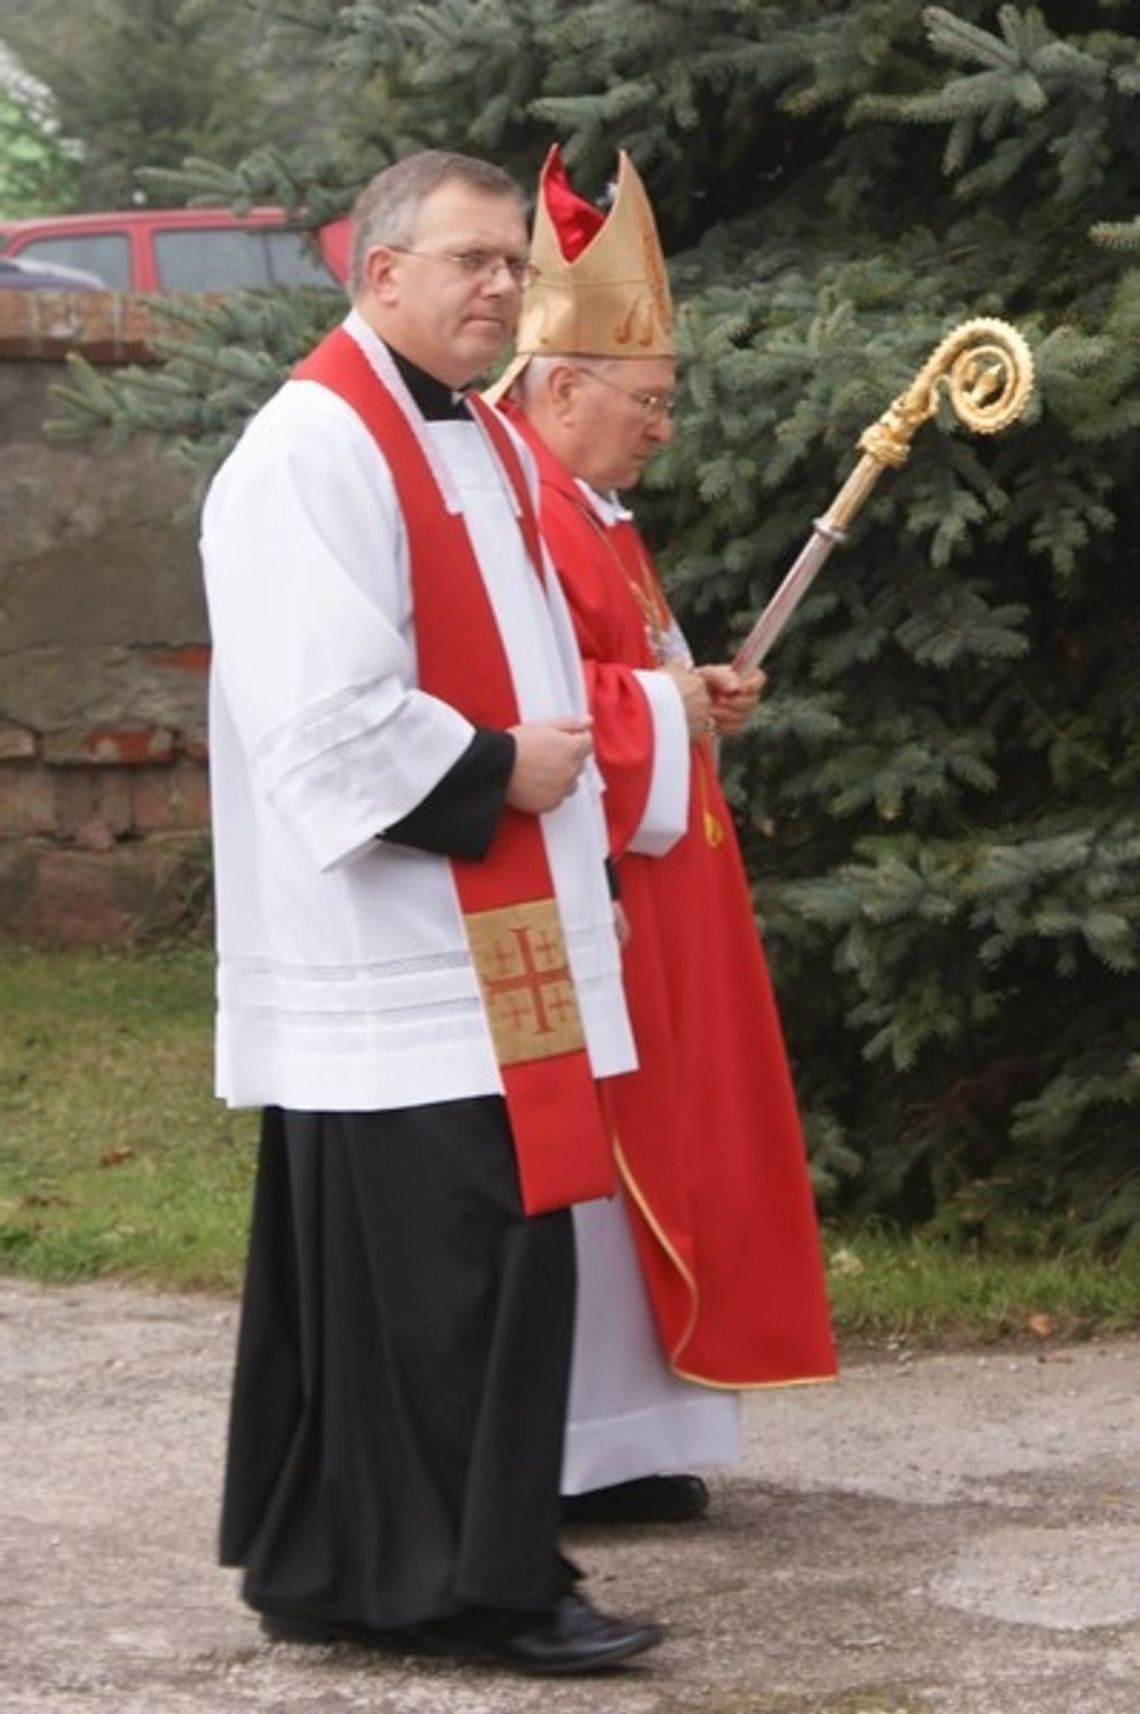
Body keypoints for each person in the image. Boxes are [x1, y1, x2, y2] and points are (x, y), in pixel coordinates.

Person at [200, 148, 663, 1674]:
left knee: (433, 1263)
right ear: (382, 271)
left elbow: (532, 652)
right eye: (473, 258)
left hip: (483, 931)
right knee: (454, 1266)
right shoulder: (312, 447)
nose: (501, 286)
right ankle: (482, 1585)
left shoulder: (472, 433)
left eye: (513, 262)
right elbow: (321, 713)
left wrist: (583, 810)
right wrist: (499, 769)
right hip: (397, 937)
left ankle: (340, 1564)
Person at [491, 146, 838, 1524]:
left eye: (667, 401)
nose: (663, 428)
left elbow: (626, 671)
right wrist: (660, 707)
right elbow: (512, 700)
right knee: (598, 1158)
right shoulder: (514, 507)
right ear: (560, 386)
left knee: (672, 1143)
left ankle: (633, 1436)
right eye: (647, 401)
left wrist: (694, 697)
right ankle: (577, 1448)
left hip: (657, 882)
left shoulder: (592, 510)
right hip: (588, 895)